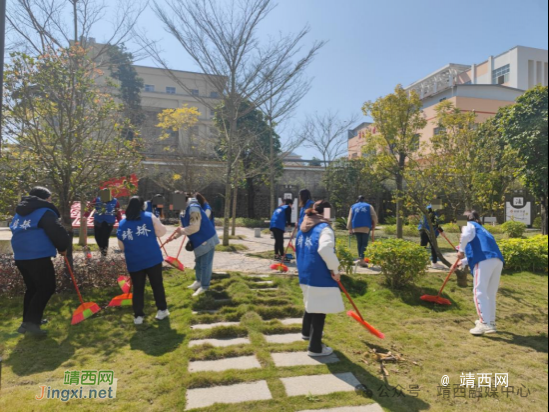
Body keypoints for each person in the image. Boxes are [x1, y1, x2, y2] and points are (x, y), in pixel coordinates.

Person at [10, 187, 70, 336]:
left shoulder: (19, 213)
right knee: (46, 288)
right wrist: (63, 247)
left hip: (21, 256)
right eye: (49, 198)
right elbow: (57, 232)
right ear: (44, 199)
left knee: (33, 288)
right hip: (37, 256)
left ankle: (27, 322)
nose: (50, 201)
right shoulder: (44, 212)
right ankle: (32, 323)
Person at [296, 200, 345, 357]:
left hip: (305, 271)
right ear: (327, 213)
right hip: (320, 273)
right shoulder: (324, 228)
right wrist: (335, 269)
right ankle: (315, 347)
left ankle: (306, 332)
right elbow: (324, 249)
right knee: (320, 309)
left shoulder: (304, 225)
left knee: (311, 302)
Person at [117, 197, 170, 325]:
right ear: (142, 205)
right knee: (157, 285)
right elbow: (162, 232)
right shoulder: (149, 216)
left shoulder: (123, 223)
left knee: (138, 288)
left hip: (134, 260)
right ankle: (162, 310)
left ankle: (138, 316)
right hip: (152, 258)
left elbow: (121, 246)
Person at [458, 210, 504, 336]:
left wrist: (461, 250)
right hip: (496, 260)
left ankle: (483, 323)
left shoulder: (468, 225)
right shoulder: (482, 229)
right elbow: (483, 249)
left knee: (479, 292)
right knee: (490, 294)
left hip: (484, 261)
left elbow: (465, 234)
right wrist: (463, 261)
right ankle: (490, 323)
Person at [172, 194, 220, 297]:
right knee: (198, 262)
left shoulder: (194, 209)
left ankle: (204, 286)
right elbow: (184, 226)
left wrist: (182, 230)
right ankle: (198, 281)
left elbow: (194, 227)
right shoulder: (183, 209)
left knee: (205, 264)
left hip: (206, 238)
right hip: (198, 240)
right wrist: (174, 237)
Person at [86, 191, 122, 257]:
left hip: (109, 222)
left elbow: (117, 212)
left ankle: (104, 254)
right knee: (97, 237)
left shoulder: (115, 202)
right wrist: (85, 215)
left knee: (105, 238)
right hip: (98, 221)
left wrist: (120, 221)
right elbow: (90, 207)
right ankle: (102, 249)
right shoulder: (97, 200)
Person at [347, 196, 378, 267]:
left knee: (359, 243)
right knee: (364, 243)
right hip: (366, 226)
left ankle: (360, 258)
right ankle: (362, 260)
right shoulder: (369, 206)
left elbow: (350, 217)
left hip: (356, 226)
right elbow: (374, 216)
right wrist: (374, 224)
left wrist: (349, 228)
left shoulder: (353, 206)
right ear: (364, 200)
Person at [418, 205, 445, 270]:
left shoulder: (428, 209)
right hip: (428, 231)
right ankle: (434, 263)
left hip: (424, 230)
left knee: (423, 247)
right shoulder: (431, 210)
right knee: (433, 247)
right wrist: (441, 231)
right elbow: (434, 222)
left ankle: (421, 263)